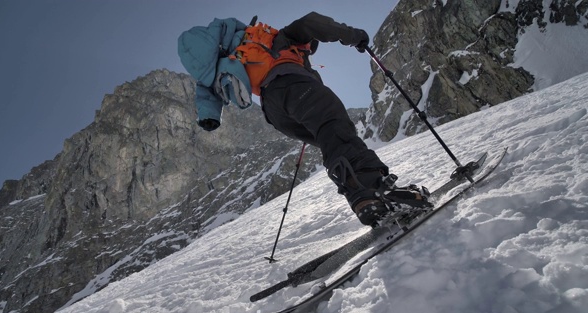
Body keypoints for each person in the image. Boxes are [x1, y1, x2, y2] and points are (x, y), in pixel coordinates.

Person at [178, 12, 431, 227]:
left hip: (274, 112)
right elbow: (312, 22)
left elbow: (206, 86)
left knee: (332, 137)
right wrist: (354, 36)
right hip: (290, 87)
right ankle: (369, 192)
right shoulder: (282, 38)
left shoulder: (235, 56)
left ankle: (370, 194)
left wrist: (209, 115)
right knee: (335, 128)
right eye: (309, 47)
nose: (309, 50)